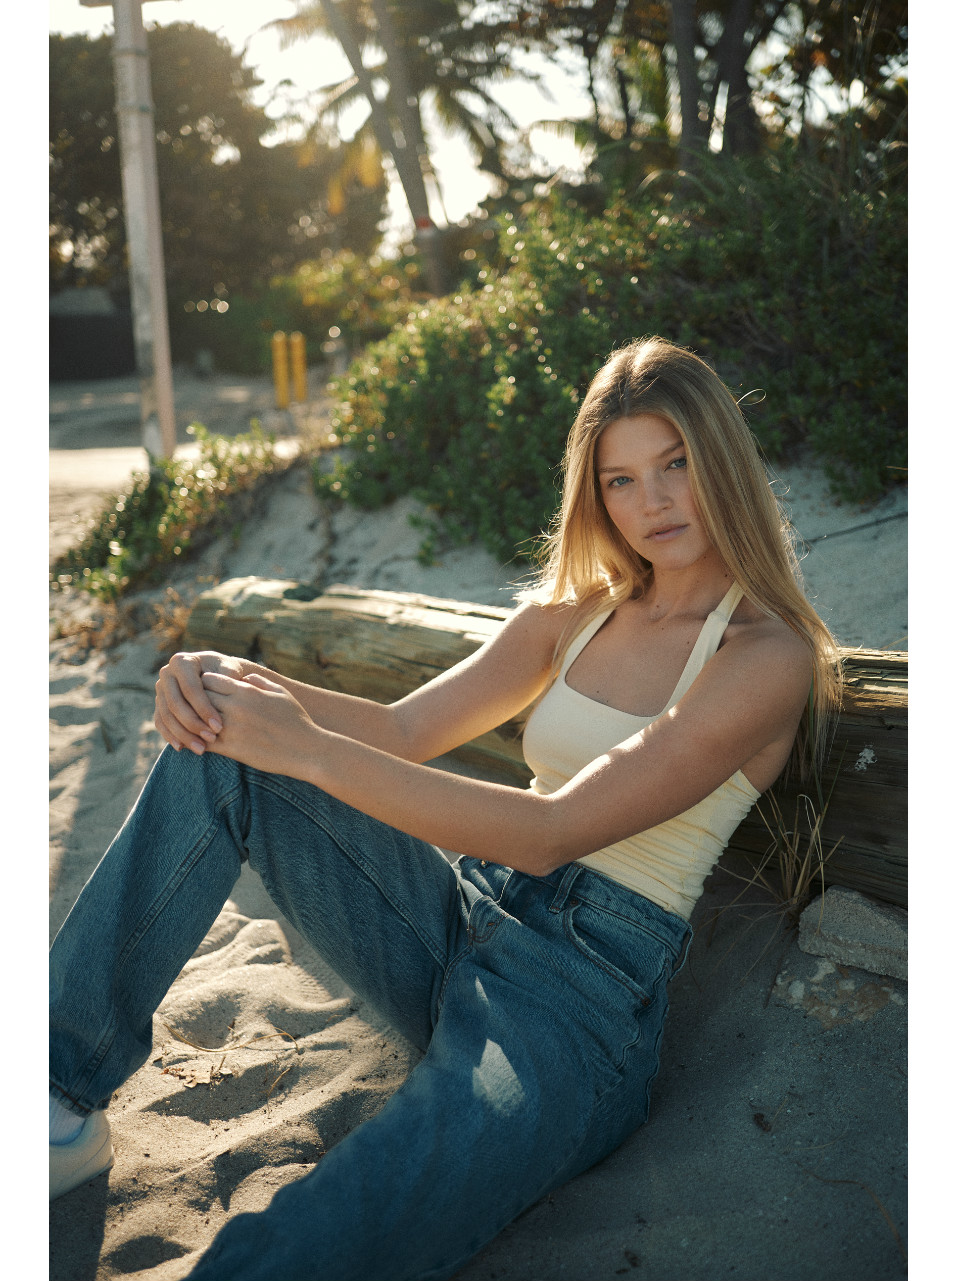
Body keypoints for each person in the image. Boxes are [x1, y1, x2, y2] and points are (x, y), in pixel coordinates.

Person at [50, 336, 841, 1280]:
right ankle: (54, 1097)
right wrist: (230, 684)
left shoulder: (764, 655)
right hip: (458, 914)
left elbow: (552, 832)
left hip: (576, 1002)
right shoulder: (574, 614)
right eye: (622, 480)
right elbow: (401, 729)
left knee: (325, 1231)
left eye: (676, 464)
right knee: (218, 747)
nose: (654, 501)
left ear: (721, 460)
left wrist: (303, 744)